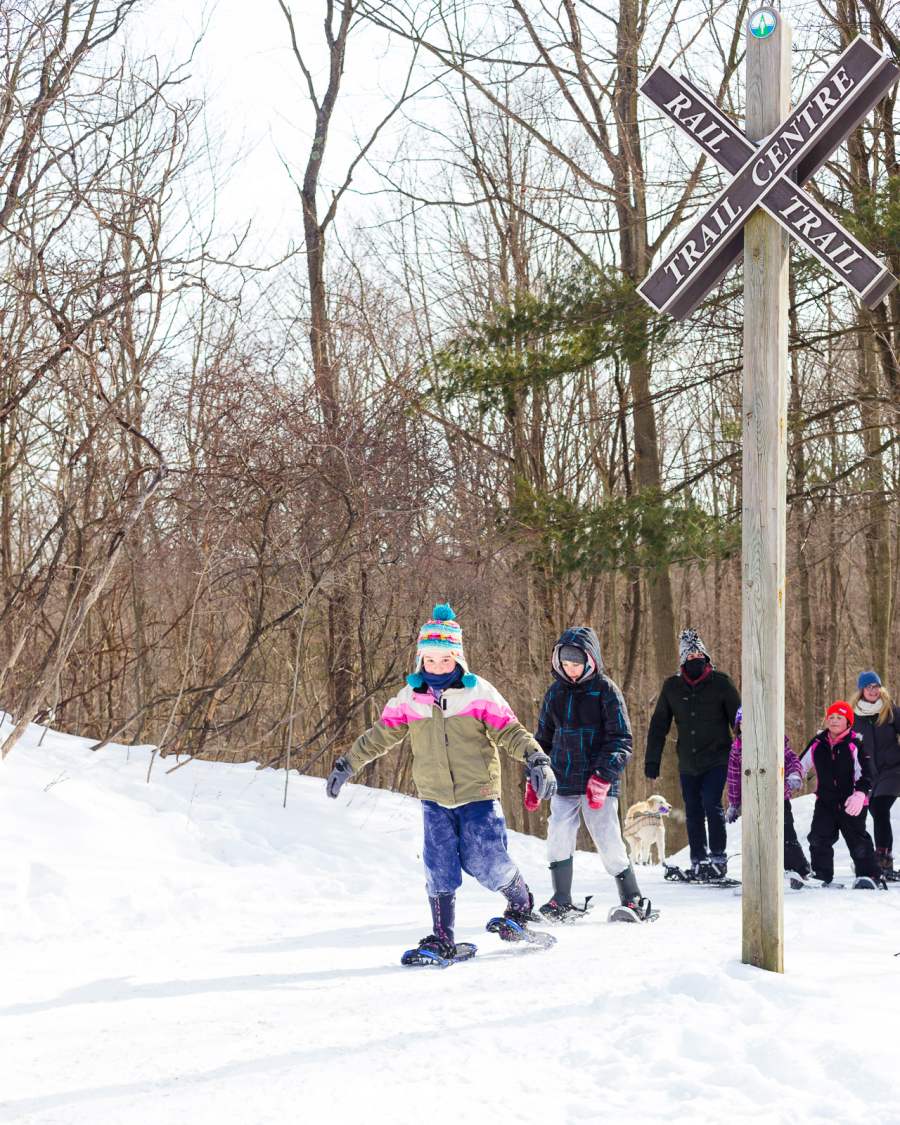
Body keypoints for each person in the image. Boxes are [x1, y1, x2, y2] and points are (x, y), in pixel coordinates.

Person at [325, 603, 557, 961]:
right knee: (439, 866)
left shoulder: (477, 692)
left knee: (487, 860)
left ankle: (522, 904)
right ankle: (442, 937)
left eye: (445, 660)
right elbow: (380, 735)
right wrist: (348, 763)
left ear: (458, 659)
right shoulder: (410, 698)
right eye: (430, 661)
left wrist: (536, 757)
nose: (437, 668)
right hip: (434, 798)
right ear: (420, 661)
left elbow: (510, 730)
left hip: (477, 793)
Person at [533, 626, 655, 923]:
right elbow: (541, 740)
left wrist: (603, 775)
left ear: (590, 661)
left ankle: (632, 897)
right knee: (558, 834)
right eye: (565, 664)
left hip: (597, 781)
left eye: (576, 664)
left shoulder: (605, 690)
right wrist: (534, 775)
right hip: (563, 780)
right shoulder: (555, 693)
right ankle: (561, 898)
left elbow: (621, 739)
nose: (571, 670)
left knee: (607, 837)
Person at [644, 628, 740, 880]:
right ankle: (699, 859)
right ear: (683, 660)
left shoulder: (721, 682)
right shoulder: (672, 687)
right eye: (690, 655)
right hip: (688, 761)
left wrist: (746, 750)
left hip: (718, 757)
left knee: (711, 803)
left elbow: (739, 720)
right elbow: (659, 725)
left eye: (699, 654)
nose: (695, 658)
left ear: (706, 656)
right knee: (694, 809)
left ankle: (718, 857)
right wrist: (652, 760)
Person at [799, 700, 882, 888]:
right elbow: (800, 764)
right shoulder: (818, 742)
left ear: (848, 722)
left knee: (857, 839)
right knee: (818, 838)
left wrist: (860, 794)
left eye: (839, 717)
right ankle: (821, 875)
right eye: (831, 717)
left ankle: (869, 876)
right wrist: (793, 777)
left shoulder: (855, 743)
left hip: (851, 802)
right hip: (825, 802)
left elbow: (868, 773)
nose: (834, 720)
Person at [725, 706, 811, 879]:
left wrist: (795, 773)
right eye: (743, 724)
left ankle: (800, 870)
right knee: (756, 838)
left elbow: (791, 760)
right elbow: (734, 778)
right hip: (752, 800)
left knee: (786, 835)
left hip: (778, 798)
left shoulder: (774, 742)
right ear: (738, 726)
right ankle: (759, 873)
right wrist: (734, 804)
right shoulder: (737, 749)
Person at [851, 671, 900, 881]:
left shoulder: (891, 711)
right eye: (868, 687)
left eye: (876, 686)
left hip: (893, 769)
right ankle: (869, 859)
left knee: (880, 808)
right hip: (868, 773)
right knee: (871, 811)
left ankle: (883, 860)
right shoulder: (853, 715)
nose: (873, 690)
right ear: (861, 690)